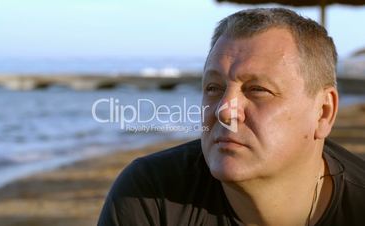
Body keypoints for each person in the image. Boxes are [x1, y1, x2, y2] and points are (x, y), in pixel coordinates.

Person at [98, 8, 365, 226]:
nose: (225, 109)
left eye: (258, 90)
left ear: (323, 112)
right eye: (213, 88)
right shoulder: (151, 195)